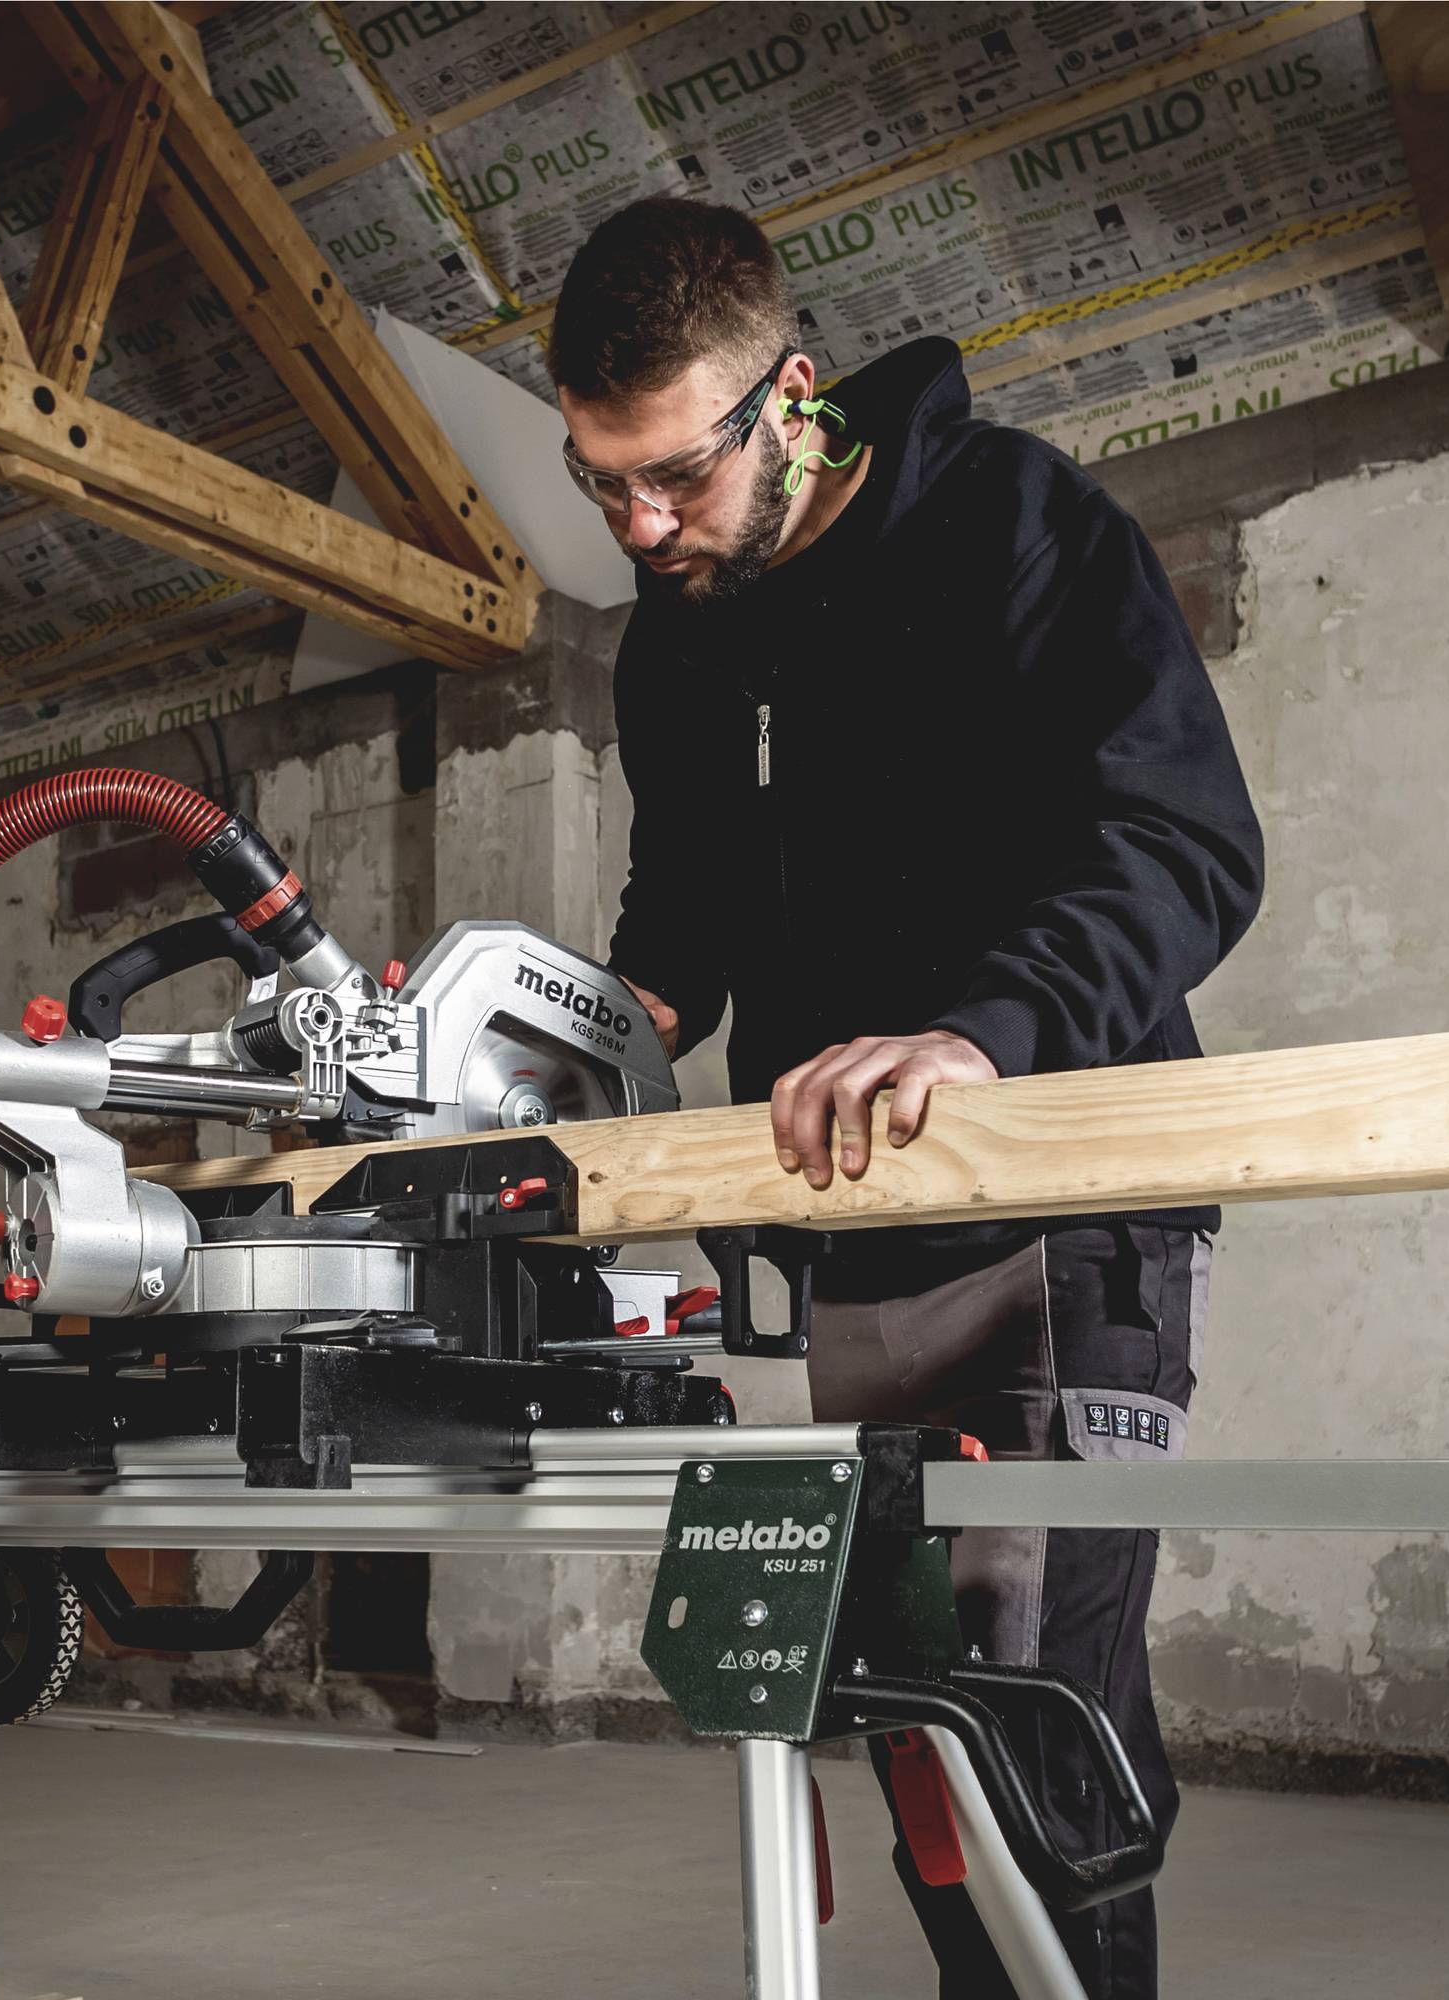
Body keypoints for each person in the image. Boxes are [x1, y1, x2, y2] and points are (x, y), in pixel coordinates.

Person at [552, 197, 1266, 1999]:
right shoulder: (679, 631)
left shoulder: (1013, 524)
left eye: (676, 477)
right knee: (915, 1712)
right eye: (601, 483)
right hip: (855, 1232)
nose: (642, 528)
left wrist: (985, 1033)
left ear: (793, 399)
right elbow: (689, 908)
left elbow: (1183, 841)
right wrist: (589, 1026)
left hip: (1066, 1207)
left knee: (1033, 1706)